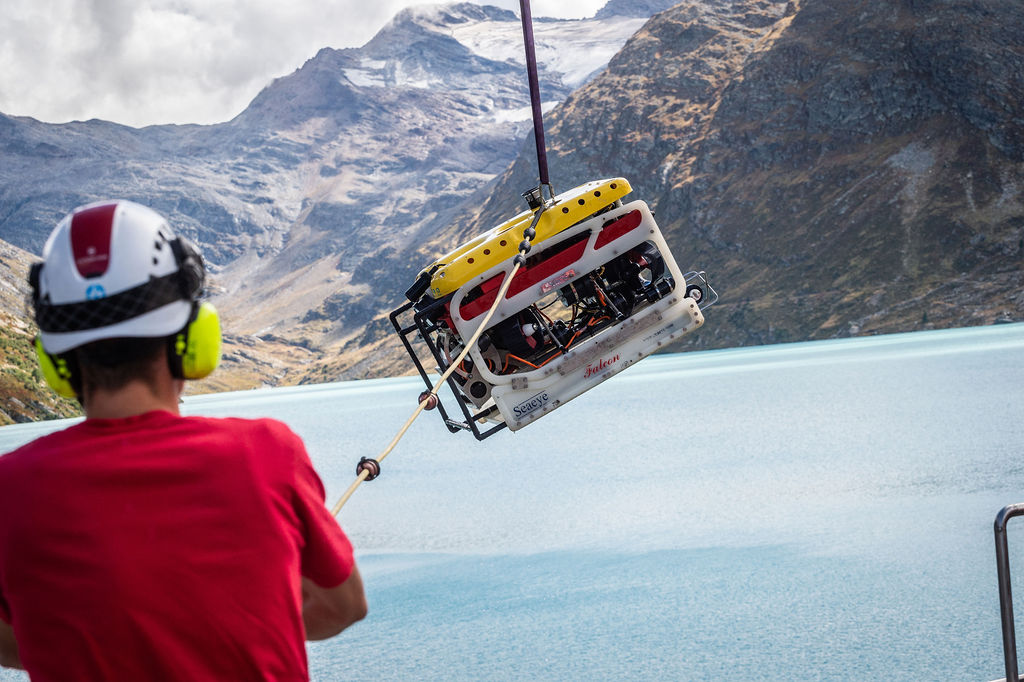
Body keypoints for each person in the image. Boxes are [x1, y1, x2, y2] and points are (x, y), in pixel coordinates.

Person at [0, 200, 366, 680]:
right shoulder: (265, 454)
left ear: (55, 358)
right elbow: (344, 606)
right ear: (193, 336)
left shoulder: (10, 490)